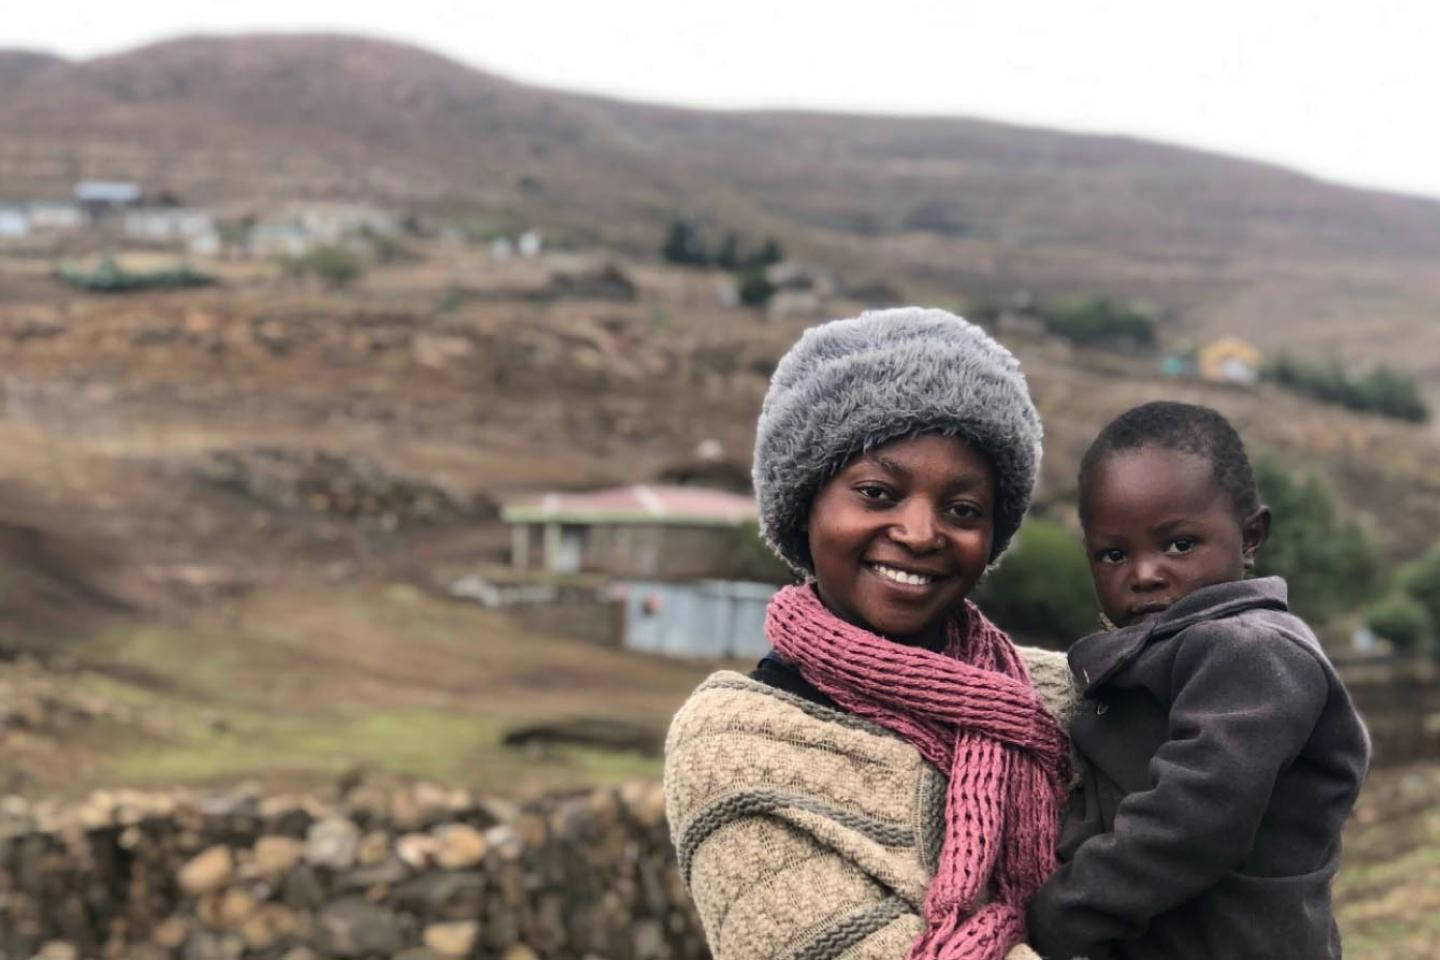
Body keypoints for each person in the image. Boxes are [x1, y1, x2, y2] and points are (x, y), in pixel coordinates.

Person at [664, 307, 1079, 960]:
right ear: (805, 505)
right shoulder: (737, 741)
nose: (920, 533)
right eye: (878, 494)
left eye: (963, 509)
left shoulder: (1061, 695)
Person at [1025, 401, 1371, 960]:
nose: (1144, 574)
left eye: (1179, 545)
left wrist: (1058, 913)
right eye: (1113, 555)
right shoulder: (1166, 651)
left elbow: (1195, 815)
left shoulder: (1251, 650)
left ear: (1251, 537)